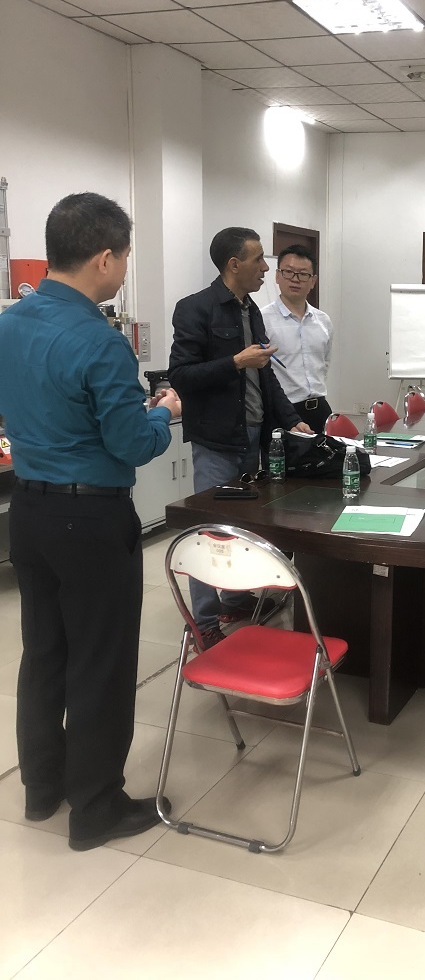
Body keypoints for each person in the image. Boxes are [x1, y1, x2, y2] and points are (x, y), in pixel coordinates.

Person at [0, 192, 181, 850]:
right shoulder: (99, 341)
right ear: (104, 258)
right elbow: (130, 443)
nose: (125, 269)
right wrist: (164, 414)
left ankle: (42, 788)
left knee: (44, 653)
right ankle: (96, 807)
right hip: (91, 519)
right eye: (125, 257)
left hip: (29, 512)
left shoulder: (10, 324)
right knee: (100, 662)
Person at [168, 227, 313, 645]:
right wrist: (234, 362)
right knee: (210, 533)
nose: (266, 268)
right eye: (259, 259)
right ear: (234, 264)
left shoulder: (252, 312)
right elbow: (181, 375)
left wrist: (291, 420)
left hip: (254, 436)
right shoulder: (195, 308)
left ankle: (234, 599)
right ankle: (204, 624)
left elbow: (266, 377)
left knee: (244, 528)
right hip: (217, 440)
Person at [260, 244, 333, 434]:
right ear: (277, 276)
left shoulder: (323, 320)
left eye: (303, 274)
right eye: (288, 272)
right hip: (283, 411)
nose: (295, 279)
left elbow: (324, 363)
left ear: (313, 281)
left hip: (320, 408)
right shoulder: (262, 319)